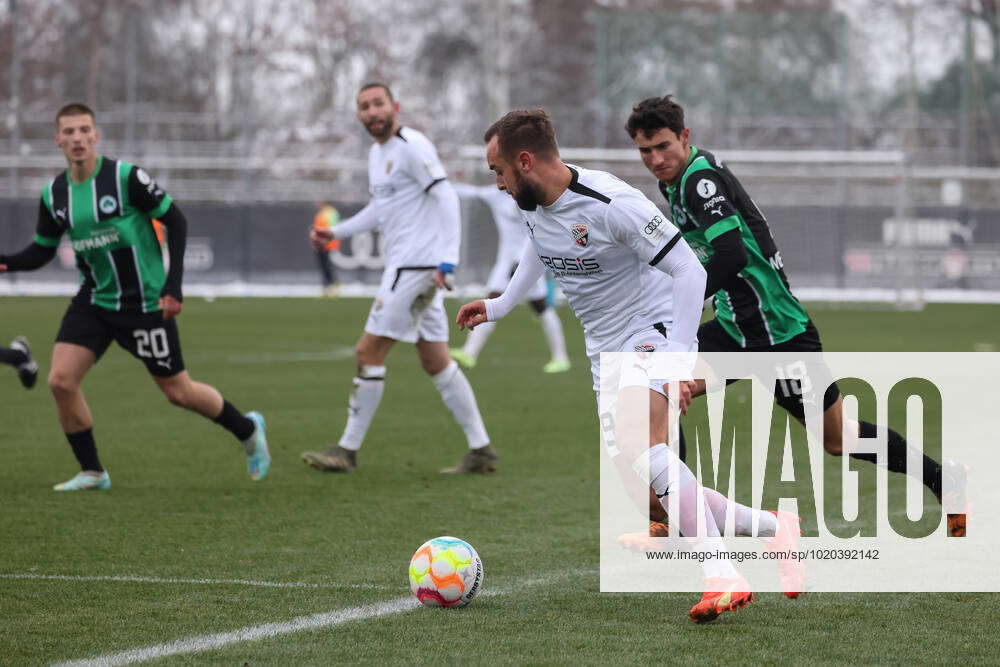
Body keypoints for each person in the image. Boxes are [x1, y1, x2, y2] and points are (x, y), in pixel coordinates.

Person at [456, 109, 795, 622]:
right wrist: (500, 304)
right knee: (653, 501)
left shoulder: (612, 202)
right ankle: (776, 529)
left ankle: (722, 574)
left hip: (649, 332)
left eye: (498, 171)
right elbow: (537, 246)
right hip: (603, 351)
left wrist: (679, 360)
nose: (498, 183)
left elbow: (686, 268)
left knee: (647, 450)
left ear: (525, 162)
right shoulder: (532, 202)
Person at [625, 94, 966, 538]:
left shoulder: (698, 180)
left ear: (684, 137)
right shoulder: (676, 180)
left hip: (776, 334)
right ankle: (674, 515)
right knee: (659, 393)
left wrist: (684, 302)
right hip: (735, 328)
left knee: (839, 439)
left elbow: (732, 255)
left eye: (663, 146)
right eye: (645, 151)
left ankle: (945, 481)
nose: (654, 159)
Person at [0, 103, 270, 491]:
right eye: (69, 132)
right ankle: (93, 471)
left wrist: (173, 286)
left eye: (84, 130)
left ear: (96, 135)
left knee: (179, 392)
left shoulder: (125, 177)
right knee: (61, 381)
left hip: (144, 304)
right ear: (57, 139)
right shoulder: (54, 193)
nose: (77, 138)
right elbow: (42, 250)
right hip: (94, 300)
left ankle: (247, 430)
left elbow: (175, 220)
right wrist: (6, 263)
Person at [302, 83, 495, 475]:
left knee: (367, 352)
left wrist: (447, 261)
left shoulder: (413, 146)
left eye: (378, 104)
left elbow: (445, 198)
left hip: (416, 269)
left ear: (395, 107)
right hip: (412, 267)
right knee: (436, 360)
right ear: (358, 115)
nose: (372, 112)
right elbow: (380, 208)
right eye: (364, 107)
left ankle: (347, 450)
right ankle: (481, 450)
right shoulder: (378, 154)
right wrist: (336, 234)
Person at [450, 182, 570, 373]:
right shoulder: (494, 194)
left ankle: (561, 357)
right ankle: (469, 353)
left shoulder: (532, 194)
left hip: (528, 263)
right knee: (495, 301)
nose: (501, 178)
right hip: (505, 263)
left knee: (539, 307)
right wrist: (440, 183)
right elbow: (470, 192)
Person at [312, 201, 341, 297]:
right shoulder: (323, 213)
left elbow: (332, 228)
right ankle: (327, 286)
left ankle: (332, 285)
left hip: (326, 243)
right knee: (324, 265)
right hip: (321, 243)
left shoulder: (330, 213)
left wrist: (328, 241)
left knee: (327, 265)